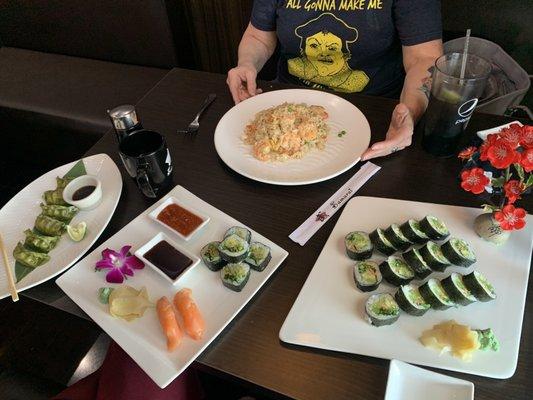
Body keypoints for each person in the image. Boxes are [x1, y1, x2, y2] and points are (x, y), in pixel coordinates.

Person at [226, 0, 443, 160]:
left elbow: (423, 57)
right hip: (287, 108)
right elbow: (258, 36)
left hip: (375, 112)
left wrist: (409, 113)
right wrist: (247, 64)